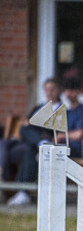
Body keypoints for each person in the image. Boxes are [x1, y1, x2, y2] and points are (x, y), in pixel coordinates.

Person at [3, 77, 62, 207]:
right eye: (46, 90)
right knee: (22, 132)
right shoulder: (39, 107)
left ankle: (22, 192)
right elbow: (27, 123)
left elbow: (57, 131)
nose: (49, 93)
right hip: (32, 140)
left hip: (45, 141)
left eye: (52, 89)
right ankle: (41, 143)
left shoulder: (62, 110)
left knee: (30, 150)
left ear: (58, 90)